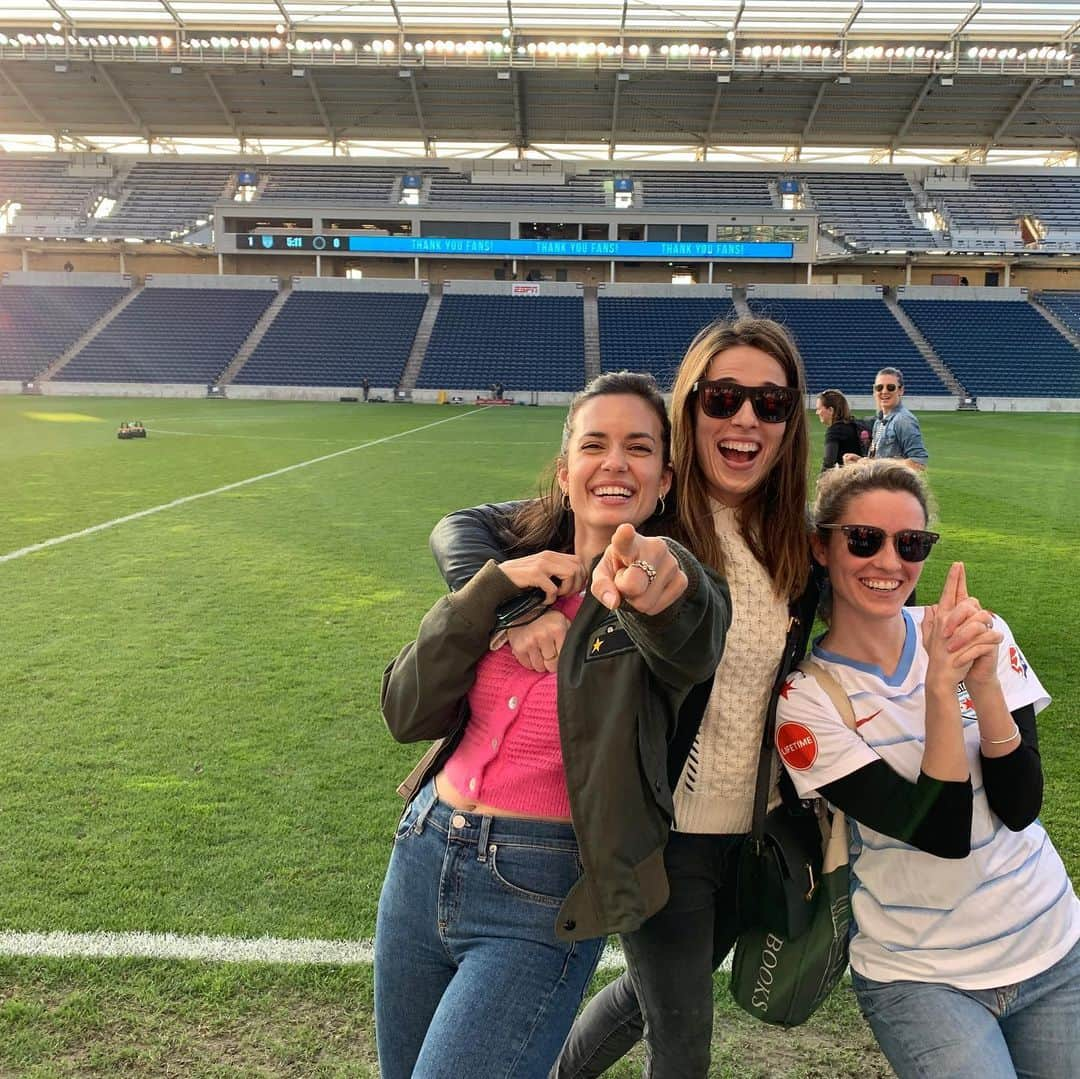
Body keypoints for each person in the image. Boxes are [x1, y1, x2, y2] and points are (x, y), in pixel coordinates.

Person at [429, 317, 816, 1077]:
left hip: (747, 833)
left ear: (790, 421)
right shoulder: (644, 519)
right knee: (682, 1042)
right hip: (662, 828)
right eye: (724, 397)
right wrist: (518, 609)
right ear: (689, 410)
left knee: (649, 999)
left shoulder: (796, 543)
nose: (745, 417)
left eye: (769, 403)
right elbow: (463, 528)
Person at [375, 371, 730, 1079]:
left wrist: (657, 593)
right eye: (595, 444)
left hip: (541, 887)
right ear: (565, 471)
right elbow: (405, 709)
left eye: (639, 447)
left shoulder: (668, 580)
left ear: (664, 478)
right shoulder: (512, 573)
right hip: (421, 852)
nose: (616, 462)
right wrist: (496, 595)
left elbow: (695, 631)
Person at [776, 459, 1080, 1079]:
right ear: (822, 546)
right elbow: (943, 834)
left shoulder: (979, 632)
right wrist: (942, 692)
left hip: (1051, 945)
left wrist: (985, 685)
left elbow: (1020, 806)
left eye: (910, 544)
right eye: (865, 539)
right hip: (921, 975)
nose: (889, 562)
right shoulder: (805, 704)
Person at [845, 366, 928, 470]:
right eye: (879, 387)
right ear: (874, 390)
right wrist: (861, 461)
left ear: (901, 390)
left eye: (890, 387)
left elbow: (918, 463)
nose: (884, 391)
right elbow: (880, 459)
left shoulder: (903, 420)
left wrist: (876, 464)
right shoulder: (880, 420)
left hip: (895, 485)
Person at [815, 388, 863, 470]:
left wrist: (820, 481)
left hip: (850, 478)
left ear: (830, 410)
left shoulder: (834, 431)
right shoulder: (853, 424)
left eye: (819, 409)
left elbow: (828, 463)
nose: (817, 413)